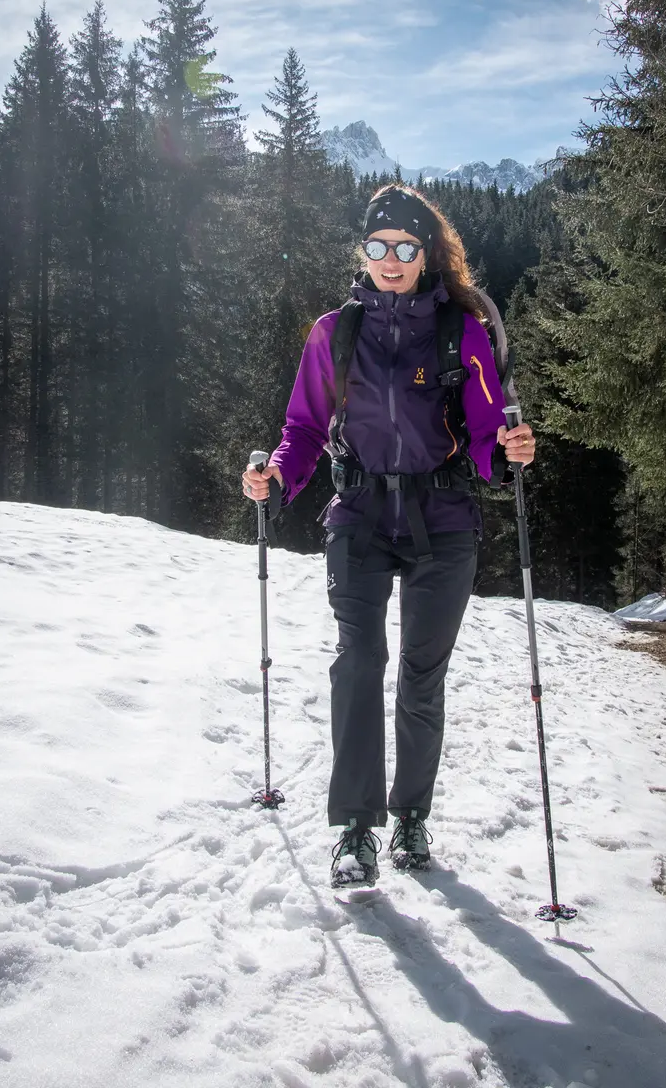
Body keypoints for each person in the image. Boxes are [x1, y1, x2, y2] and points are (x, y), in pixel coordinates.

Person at [241, 184, 535, 889]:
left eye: (405, 247)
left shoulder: (460, 331)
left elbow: (490, 425)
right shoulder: (332, 332)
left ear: (425, 251)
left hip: (444, 519)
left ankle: (409, 816)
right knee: (358, 660)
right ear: (362, 252)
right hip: (360, 516)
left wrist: (509, 451)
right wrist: (276, 479)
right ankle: (353, 830)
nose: (391, 259)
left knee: (419, 678)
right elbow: (304, 429)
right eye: (378, 247)